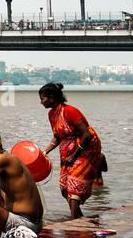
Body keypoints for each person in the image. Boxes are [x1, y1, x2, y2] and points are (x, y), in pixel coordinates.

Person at [38, 82, 104, 219]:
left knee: (75, 183)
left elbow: (87, 135)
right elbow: (57, 137)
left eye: (42, 98)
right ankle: (79, 217)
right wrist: (44, 152)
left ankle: (73, 220)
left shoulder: (70, 111)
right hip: (67, 150)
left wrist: (74, 155)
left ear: (51, 98)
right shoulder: (51, 114)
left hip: (86, 148)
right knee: (65, 187)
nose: (41, 102)